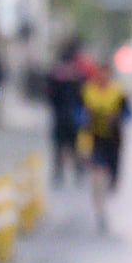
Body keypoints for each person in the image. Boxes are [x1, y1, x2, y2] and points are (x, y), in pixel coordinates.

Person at [81, 61, 131, 233]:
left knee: (111, 180)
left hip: (114, 141)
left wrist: (116, 117)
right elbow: (78, 112)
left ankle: (108, 190)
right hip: (94, 140)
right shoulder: (88, 91)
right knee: (97, 176)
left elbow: (129, 114)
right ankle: (100, 211)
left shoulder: (118, 92)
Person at [46, 39, 88, 187]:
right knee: (70, 145)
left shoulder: (58, 75)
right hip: (69, 115)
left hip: (63, 115)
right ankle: (73, 171)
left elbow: (49, 95)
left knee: (64, 146)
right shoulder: (76, 76)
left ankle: (65, 172)